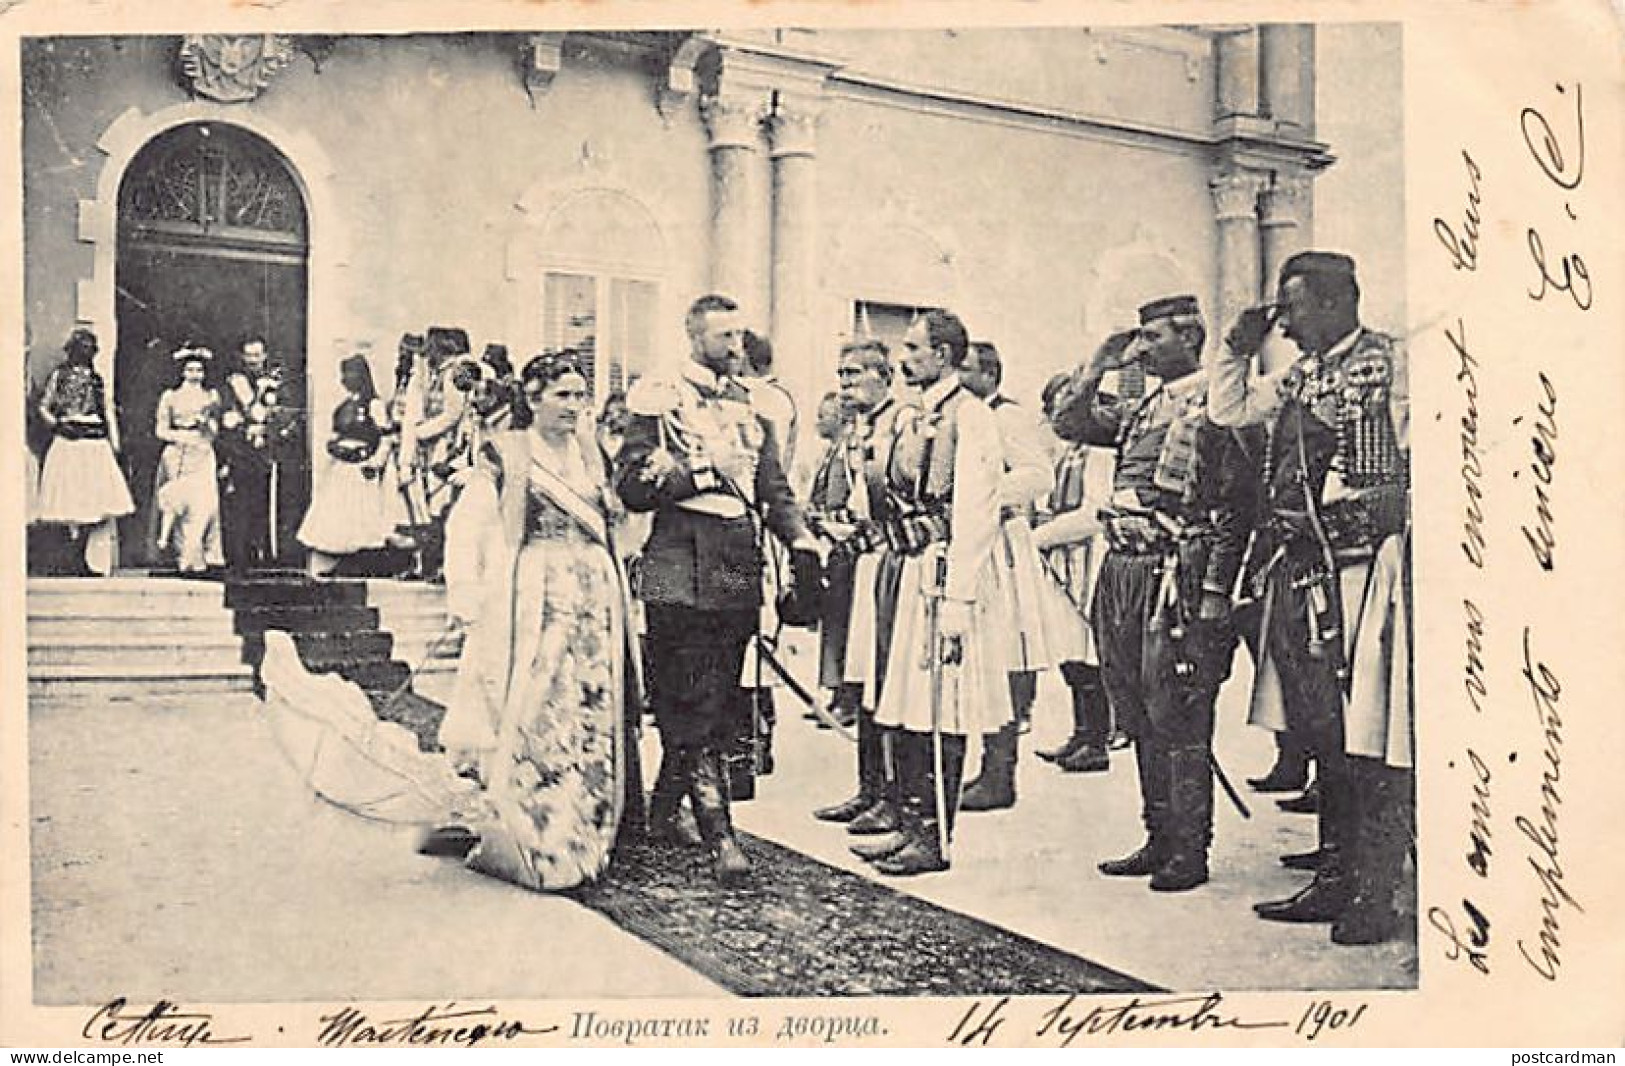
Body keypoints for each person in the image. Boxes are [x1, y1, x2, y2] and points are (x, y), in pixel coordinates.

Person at [1211, 251, 1412, 943]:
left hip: (1367, 573)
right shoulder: (1300, 375)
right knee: (1321, 726)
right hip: (1303, 571)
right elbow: (1229, 407)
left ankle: (1375, 891)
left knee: (1371, 735)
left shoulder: (1391, 364)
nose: (1284, 324)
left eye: (1290, 308)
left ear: (1330, 304)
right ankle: (1334, 876)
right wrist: (1237, 347)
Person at [1050, 295, 1254, 893]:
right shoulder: (1144, 402)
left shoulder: (1212, 401)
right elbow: (1069, 422)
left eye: (1153, 338)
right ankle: (1158, 836)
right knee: (1134, 707)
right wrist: (1100, 362)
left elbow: (1235, 505)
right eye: (1137, 338)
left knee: (1179, 710)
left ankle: (1190, 850)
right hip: (1123, 568)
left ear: (1190, 340)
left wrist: (1215, 588)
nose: (1142, 349)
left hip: (1175, 572)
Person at [614, 294, 815, 884]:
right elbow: (631, 487)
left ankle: (661, 808)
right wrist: (701, 470)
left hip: (733, 560)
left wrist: (801, 539)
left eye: (738, 336)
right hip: (676, 558)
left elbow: (771, 485)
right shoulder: (658, 397)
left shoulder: (755, 404)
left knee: (719, 693)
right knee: (687, 695)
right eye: (723, 337)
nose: (736, 347)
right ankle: (719, 834)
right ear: (692, 336)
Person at [863, 309, 1005, 876]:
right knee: (910, 706)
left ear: (944, 355)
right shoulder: (913, 413)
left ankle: (936, 838)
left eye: (916, 349)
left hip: (948, 573)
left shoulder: (971, 419)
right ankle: (911, 824)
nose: (905, 358)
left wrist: (959, 599)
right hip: (911, 565)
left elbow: (976, 509)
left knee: (944, 705)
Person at [956, 340, 1087, 812]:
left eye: (968, 370)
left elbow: (1038, 476)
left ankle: (999, 773)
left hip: (1002, 547)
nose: (960, 378)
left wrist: (981, 495)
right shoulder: (959, 414)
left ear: (991, 375)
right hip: (970, 544)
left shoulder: (1006, 417)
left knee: (1007, 657)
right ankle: (980, 769)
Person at [811, 339, 910, 830]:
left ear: (883, 374)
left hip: (889, 558)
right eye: (842, 374)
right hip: (855, 562)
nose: (845, 384)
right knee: (861, 674)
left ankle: (894, 795)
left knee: (886, 678)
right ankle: (869, 789)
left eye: (853, 374)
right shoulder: (854, 428)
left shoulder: (902, 421)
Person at [1029, 370, 1122, 773]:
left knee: (1089, 651)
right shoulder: (1068, 452)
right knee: (1068, 650)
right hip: (1064, 558)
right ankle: (1081, 732)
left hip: (1090, 556)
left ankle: (1097, 739)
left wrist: (1040, 537)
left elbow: (1094, 513)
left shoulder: (1099, 452)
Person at [35, 328, 135, 576]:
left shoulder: (97, 380)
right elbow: (44, 406)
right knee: (68, 500)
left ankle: (82, 558)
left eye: (89, 348)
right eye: (81, 347)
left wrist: (116, 445)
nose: (85, 353)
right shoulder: (59, 376)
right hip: (68, 442)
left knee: (93, 501)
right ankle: (67, 559)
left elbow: (107, 411)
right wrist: (57, 424)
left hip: (94, 443)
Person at [297, 354, 398, 576]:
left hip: (362, 467)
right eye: (344, 374)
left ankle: (360, 562)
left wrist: (375, 463)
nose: (346, 378)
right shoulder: (343, 406)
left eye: (351, 373)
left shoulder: (374, 404)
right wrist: (333, 447)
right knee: (338, 513)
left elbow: (386, 437)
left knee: (360, 514)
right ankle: (336, 561)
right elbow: (335, 434)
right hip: (341, 467)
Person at [219, 337, 300, 572]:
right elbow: (227, 416)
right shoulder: (234, 383)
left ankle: (266, 553)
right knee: (239, 505)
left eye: (258, 355)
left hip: (266, 452)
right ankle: (239, 556)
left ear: (265, 356)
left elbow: (285, 414)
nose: (253, 360)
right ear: (242, 358)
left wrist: (268, 429)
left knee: (265, 505)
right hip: (240, 453)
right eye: (249, 355)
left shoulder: (275, 382)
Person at [803, 390, 857, 728]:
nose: (818, 421)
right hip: (829, 542)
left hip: (842, 542)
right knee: (833, 623)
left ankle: (846, 699)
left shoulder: (845, 454)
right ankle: (835, 693)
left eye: (824, 415)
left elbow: (841, 499)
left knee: (843, 624)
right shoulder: (831, 453)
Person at [152, 347, 225, 575]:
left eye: (199, 370)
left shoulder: (210, 396)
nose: (194, 374)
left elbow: (215, 431)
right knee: (179, 502)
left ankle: (205, 554)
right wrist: (181, 436)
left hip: (203, 452)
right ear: (182, 372)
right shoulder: (170, 397)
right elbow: (160, 430)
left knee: (205, 503)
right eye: (190, 369)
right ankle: (183, 555)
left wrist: (205, 425)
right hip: (177, 452)